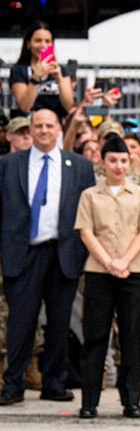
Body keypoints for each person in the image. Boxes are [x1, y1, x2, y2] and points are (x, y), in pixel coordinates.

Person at [0, 109, 93, 406]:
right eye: (37, 126)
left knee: (59, 322)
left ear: (59, 128)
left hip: (63, 252)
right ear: (30, 130)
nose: (43, 131)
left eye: (48, 125)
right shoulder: (9, 164)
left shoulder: (79, 166)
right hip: (23, 252)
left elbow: (88, 213)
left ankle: (54, 382)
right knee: (21, 323)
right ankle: (13, 383)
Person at [74, 137, 140, 419]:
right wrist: (109, 262)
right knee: (96, 336)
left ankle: (131, 400)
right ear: (103, 162)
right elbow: (86, 233)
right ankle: (89, 401)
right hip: (99, 272)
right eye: (113, 160)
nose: (119, 166)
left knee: (131, 336)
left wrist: (124, 260)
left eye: (123, 160)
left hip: (134, 271)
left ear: (130, 162)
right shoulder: (90, 195)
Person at [8, 22, 76, 119]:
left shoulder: (62, 70)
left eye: (47, 41)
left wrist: (60, 79)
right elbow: (25, 107)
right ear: (28, 44)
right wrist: (36, 77)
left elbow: (69, 107)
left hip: (55, 126)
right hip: (29, 126)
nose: (43, 45)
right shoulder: (19, 70)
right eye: (38, 41)